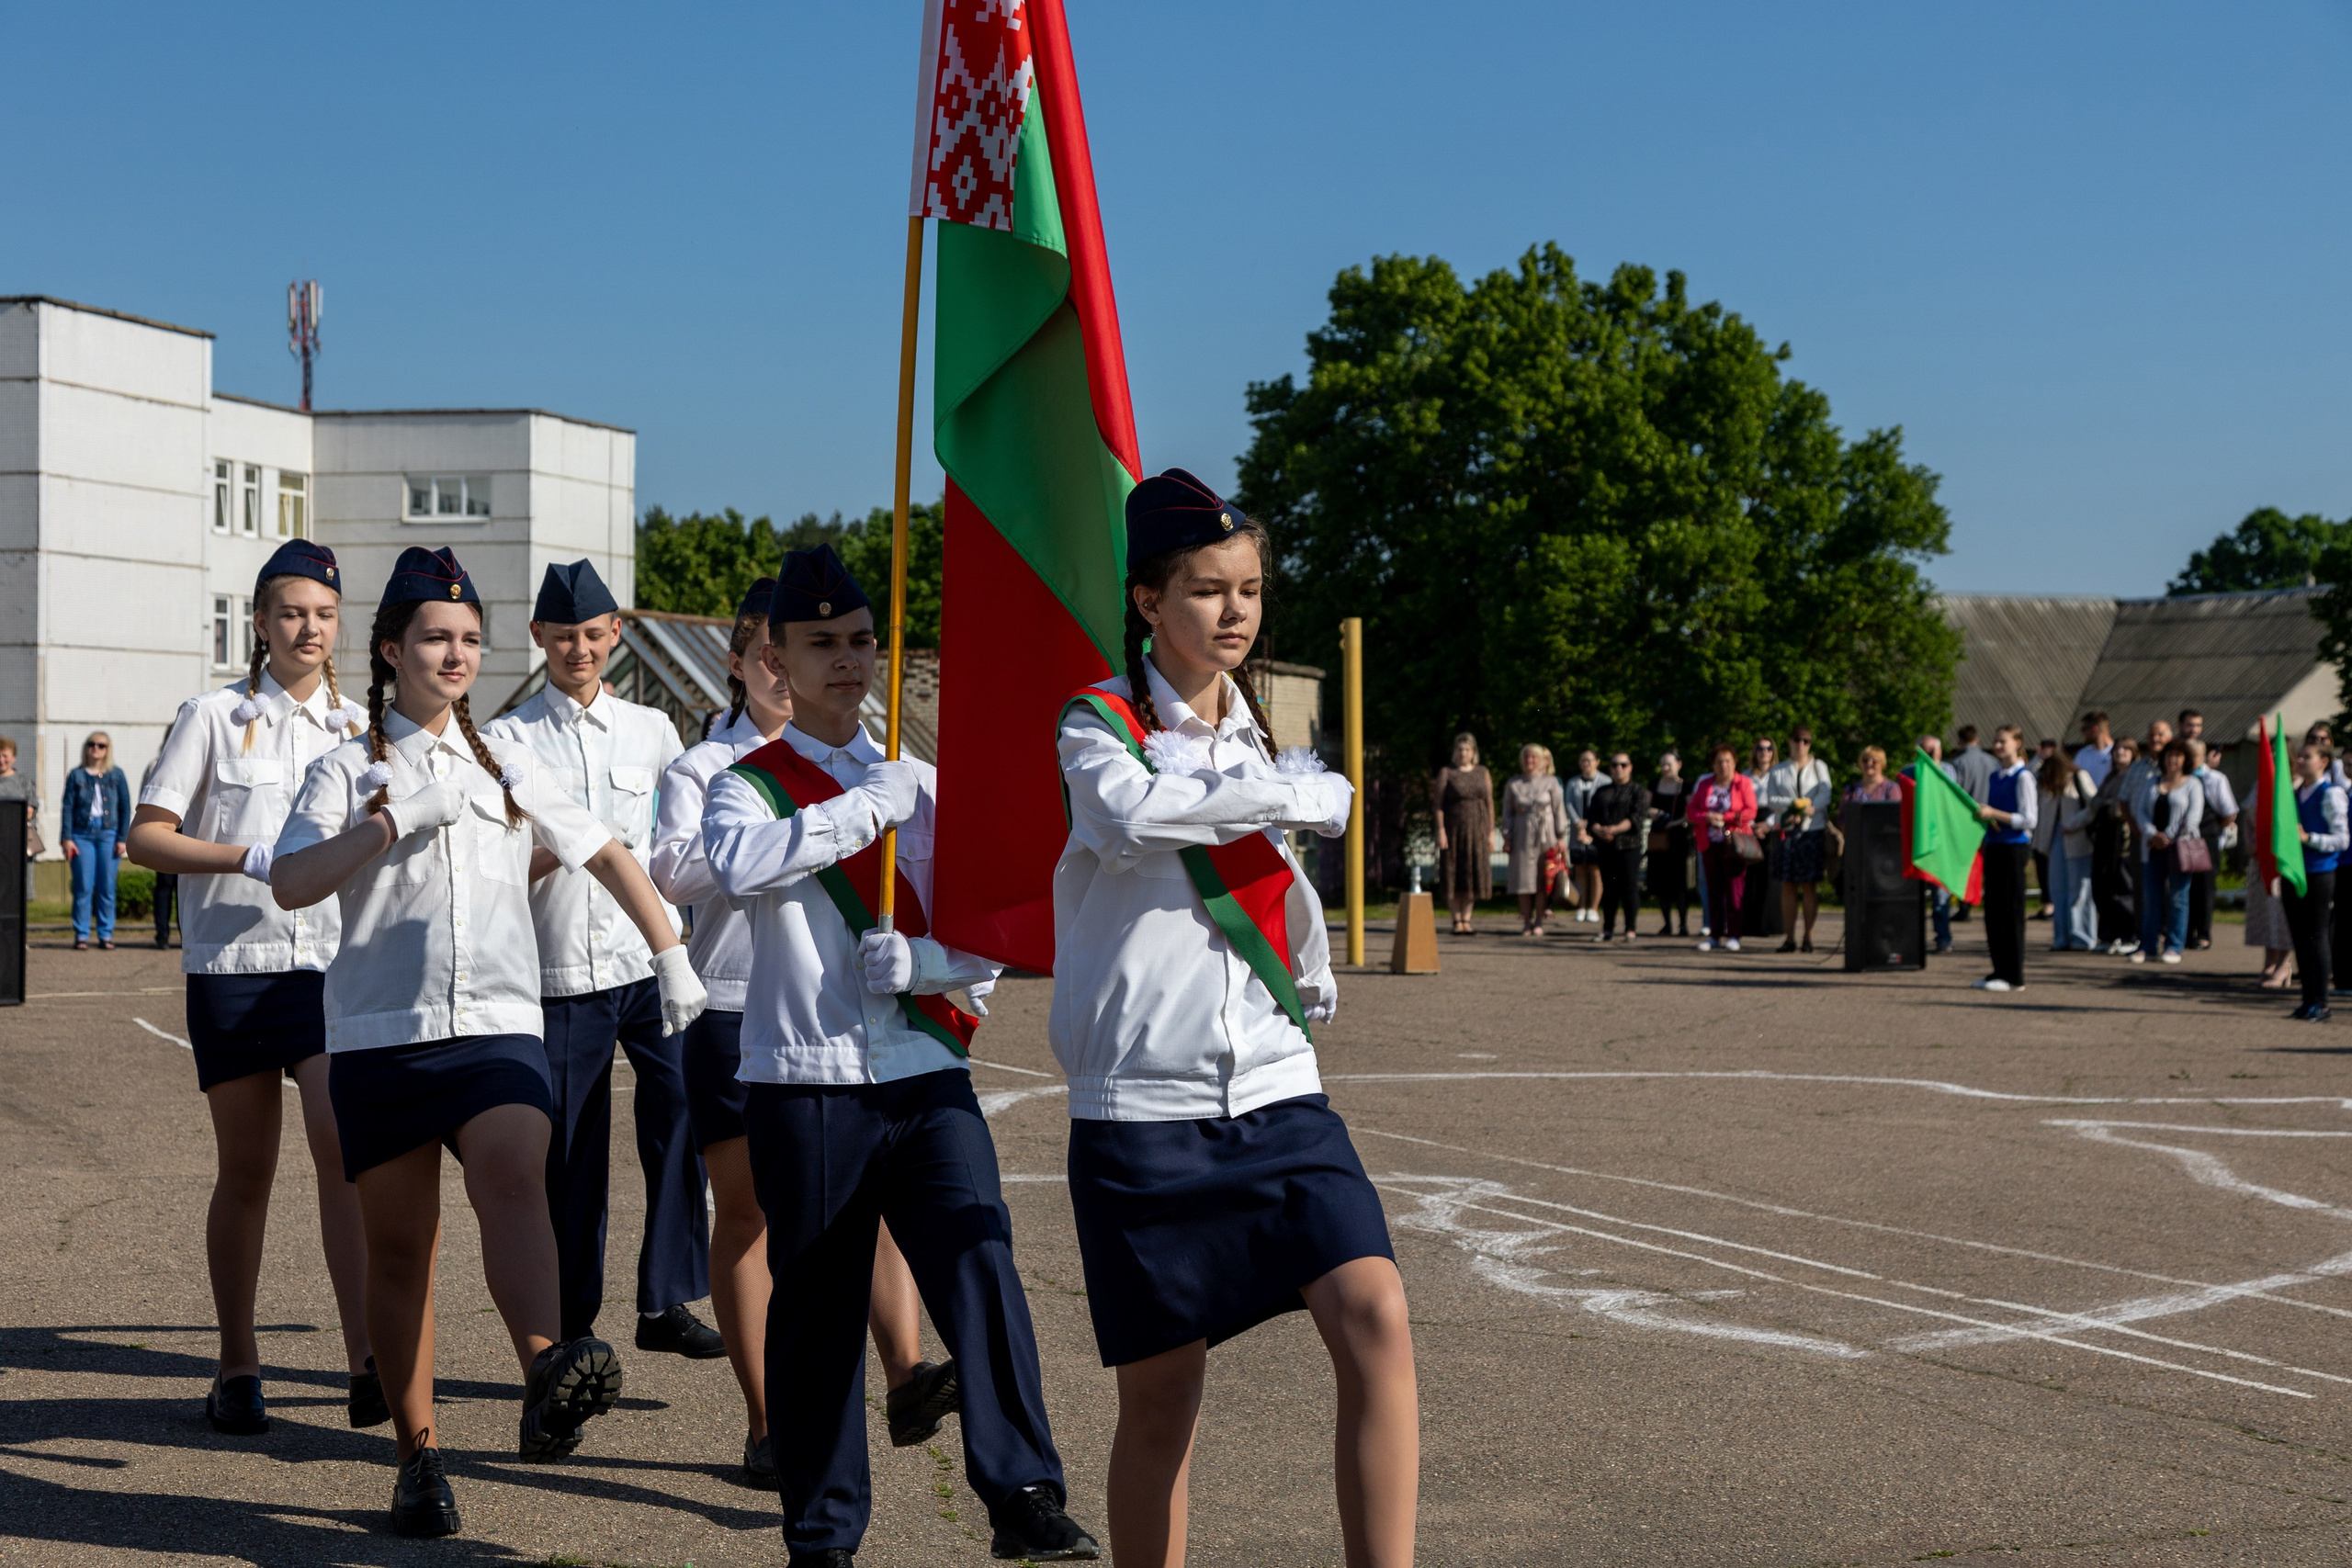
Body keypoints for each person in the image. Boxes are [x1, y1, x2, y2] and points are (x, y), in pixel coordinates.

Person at [270, 547, 708, 1537]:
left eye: (470, 638)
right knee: (400, 1252)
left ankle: (549, 1363)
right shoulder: (346, 767)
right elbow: (292, 882)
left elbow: (601, 846)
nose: (456, 652)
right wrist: (389, 824)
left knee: (516, 1172)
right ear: (390, 650)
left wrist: (668, 949)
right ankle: (417, 1454)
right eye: (435, 637)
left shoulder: (512, 760)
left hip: (500, 1022)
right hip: (383, 1033)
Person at [703, 542, 1097, 1564]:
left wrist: (926, 962)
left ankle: (1021, 1491)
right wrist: (857, 811)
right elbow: (736, 867)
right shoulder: (747, 787)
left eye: (860, 640)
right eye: (819, 642)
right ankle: (823, 1532)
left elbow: (1001, 929)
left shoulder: (927, 781)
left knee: (980, 1263)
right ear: (776, 662)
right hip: (808, 1084)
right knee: (821, 1317)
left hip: (926, 1076)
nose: (845, 658)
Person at [1050, 470, 1407, 1568]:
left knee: (1376, 1320)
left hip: (1273, 1094)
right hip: (1142, 1114)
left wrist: (1309, 970)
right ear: (1150, 600)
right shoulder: (1096, 723)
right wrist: (1297, 793)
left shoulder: (1261, 741)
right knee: (1163, 1401)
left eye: (1249, 588)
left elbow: (1270, 891)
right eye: (1207, 590)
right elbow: (1135, 815)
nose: (1237, 611)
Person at [646, 578, 958, 1483]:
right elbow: (679, 876)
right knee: (746, 1218)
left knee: (877, 1202)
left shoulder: (869, 762)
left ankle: (905, 1371)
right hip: (739, 1006)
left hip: (844, 1015)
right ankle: (765, 1418)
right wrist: (787, 826)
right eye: (774, 655)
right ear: (745, 665)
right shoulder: (707, 771)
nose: (794, 674)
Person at [124, 539, 379, 1438]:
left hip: (330, 971)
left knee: (341, 1146)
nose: (307, 628)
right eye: (290, 613)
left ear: (339, 623)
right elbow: (145, 837)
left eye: (322, 613)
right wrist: (249, 856)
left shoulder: (363, 729)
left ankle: (364, 1362)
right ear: (261, 623)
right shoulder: (212, 714)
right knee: (246, 1172)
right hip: (234, 970)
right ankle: (238, 1364)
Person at [483, 562, 719, 1363]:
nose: (578, 649)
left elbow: (676, 845)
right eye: (563, 636)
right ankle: (574, 1330)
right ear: (538, 639)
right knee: (572, 1155)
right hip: (558, 975)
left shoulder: (652, 731)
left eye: (592, 634)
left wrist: (679, 945)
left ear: (614, 634)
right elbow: (499, 863)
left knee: (686, 1113)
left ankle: (667, 1295)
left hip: (647, 964)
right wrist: (562, 842)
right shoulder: (508, 737)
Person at [1969, 726, 2038, 992]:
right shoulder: (1995, 776)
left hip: (2013, 848)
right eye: (1995, 741)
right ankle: (1999, 970)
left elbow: (2029, 819)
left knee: (2011, 913)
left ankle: (2014, 976)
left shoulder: (2023, 777)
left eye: (2003, 742)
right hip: (1996, 847)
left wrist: (1994, 813)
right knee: (1994, 913)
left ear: (2017, 743)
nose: (1997, 746)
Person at [2285, 738, 2344, 1021]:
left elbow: (2342, 839)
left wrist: (2310, 838)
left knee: (2316, 935)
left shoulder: (2331, 793)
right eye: (2299, 757)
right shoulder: (2296, 793)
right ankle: (2307, 999)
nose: (2300, 761)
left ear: (2323, 762)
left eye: (2307, 757)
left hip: (2320, 872)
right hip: (2296, 872)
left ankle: (2321, 1002)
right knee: (2299, 936)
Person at [2131, 739, 2203, 965]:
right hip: (2152, 850)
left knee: (2178, 899)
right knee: (2151, 899)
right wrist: (2153, 834)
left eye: (2178, 755)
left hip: (2180, 849)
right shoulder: (2152, 782)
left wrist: (2167, 836)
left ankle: (2173, 945)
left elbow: (2192, 818)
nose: (2173, 759)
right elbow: (2140, 811)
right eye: (2169, 755)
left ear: (2186, 760)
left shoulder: (2193, 784)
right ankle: (2148, 945)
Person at [1763, 726, 1832, 953]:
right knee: (1788, 884)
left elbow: (1825, 792)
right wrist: (1791, 806)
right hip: (1788, 830)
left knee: (1809, 884)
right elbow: (1771, 797)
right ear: (1790, 741)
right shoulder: (1779, 770)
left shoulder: (1818, 766)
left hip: (1812, 830)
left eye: (1806, 741)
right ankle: (1790, 937)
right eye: (1797, 740)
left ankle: (1808, 937)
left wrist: (1810, 807)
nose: (1801, 745)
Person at [62, 730, 130, 949]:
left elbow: (125, 807)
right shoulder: (76, 775)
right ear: (86, 747)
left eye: (101, 745)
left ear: (107, 750)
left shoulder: (116, 775)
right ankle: (82, 934)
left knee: (107, 886)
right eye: (92, 744)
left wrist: (123, 838)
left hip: (108, 834)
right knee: (83, 886)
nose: (96, 748)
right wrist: (66, 838)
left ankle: (105, 933)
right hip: (82, 834)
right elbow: (67, 808)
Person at [1688, 742, 1757, 953]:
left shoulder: (1743, 783)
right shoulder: (1705, 784)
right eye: (1719, 761)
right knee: (1713, 891)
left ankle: (1734, 935)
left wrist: (1724, 817)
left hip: (1734, 845)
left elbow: (1750, 811)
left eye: (1727, 761)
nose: (1723, 765)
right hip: (1710, 844)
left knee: (1735, 890)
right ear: (1713, 764)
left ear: (1735, 762)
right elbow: (1691, 811)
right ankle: (1715, 935)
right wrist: (1707, 817)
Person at [1500, 744, 1568, 937]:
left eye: (1533, 757)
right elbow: (1507, 813)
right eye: (1526, 757)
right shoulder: (1514, 784)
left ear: (1541, 760)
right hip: (1522, 834)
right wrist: (1507, 836)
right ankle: (1526, 922)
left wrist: (1561, 836)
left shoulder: (1551, 782)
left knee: (1541, 880)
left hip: (1546, 834)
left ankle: (1539, 920)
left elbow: (1558, 810)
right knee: (1524, 881)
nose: (1529, 761)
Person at [1431, 735, 1494, 936]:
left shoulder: (1482, 772)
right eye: (1459, 749)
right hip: (1453, 830)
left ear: (1473, 752)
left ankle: (1467, 918)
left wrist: (1490, 831)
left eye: (1466, 749)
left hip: (1477, 830)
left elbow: (1489, 802)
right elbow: (1438, 805)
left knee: (1472, 873)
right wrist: (1441, 830)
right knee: (1453, 872)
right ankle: (1456, 918)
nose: (1463, 753)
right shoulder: (1447, 773)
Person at [1584, 752, 1649, 943]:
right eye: (1614, 765)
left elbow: (1638, 817)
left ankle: (1630, 929)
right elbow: (1591, 817)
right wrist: (1599, 829)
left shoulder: (1638, 791)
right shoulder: (1602, 791)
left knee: (1629, 887)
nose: (1618, 768)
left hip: (1629, 846)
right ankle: (1608, 928)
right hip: (1606, 847)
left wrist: (1615, 829)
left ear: (1630, 767)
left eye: (1623, 764)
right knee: (1609, 889)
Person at [1903, 736, 1959, 953]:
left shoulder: (1948, 770)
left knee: (1940, 897)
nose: (1928, 755)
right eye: (1923, 751)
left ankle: (1943, 938)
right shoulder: (1908, 771)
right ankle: (1910, 939)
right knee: (1910, 895)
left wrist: (1934, 765)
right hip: (1917, 841)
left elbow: (1947, 795)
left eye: (1932, 751)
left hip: (1940, 842)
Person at [2041, 750, 2099, 952]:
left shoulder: (2078, 776)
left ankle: (2083, 938)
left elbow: (2094, 805)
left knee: (2080, 889)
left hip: (2078, 838)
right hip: (2055, 839)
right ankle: (2062, 937)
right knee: (2058, 890)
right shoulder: (2050, 784)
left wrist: (2073, 824)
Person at [2184, 738, 2236, 951]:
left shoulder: (2215, 778)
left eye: (2192, 755)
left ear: (2202, 756)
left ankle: (2203, 933)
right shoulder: (2181, 777)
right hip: (2184, 839)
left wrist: (2214, 830)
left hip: (2207, 837)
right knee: (2185, 887)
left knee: (2205, 888)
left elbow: (2229, 812)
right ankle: (2186, 933)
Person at [1647, 749, 1693, 938]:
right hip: (1659, 839)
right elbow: (1645, 806)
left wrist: (1673, 823)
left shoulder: (1687, 786)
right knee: (1661, 885)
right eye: (1663, 764)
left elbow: (1690, 813)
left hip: (1679, 839)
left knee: (1680, 885)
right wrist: (1651, 812)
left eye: (1669, 764)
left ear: (1679, 765)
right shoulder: (1654, 784)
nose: (1665, 768)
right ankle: (1667, 924)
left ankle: (1683, 924)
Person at [1739, 738, 1781, 938]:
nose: (1764, 752)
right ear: (1754, 752)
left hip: (1771, 823)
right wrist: (1750, 824)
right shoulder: (1745, 776)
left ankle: (1767, 923)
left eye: (1768, 748)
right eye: (1760, 748)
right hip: (1749, 824)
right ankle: (1748, 924)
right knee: (1749, 876)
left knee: (1769, 877)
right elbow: (1739, 802)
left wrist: (1769, 824)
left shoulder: (1780, 774)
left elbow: (1785, 803)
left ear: (1773, 752)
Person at [1560, 749, 1604, 922]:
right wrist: (1578, 823)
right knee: (1580, 870)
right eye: (1582, 760)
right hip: (1577, 833)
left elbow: (1603, 804)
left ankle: (1593, 908)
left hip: (1596, 831)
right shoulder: (1572, 782)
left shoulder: (1605, 781)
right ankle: (1581, 906)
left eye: (1589, 760)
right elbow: (1569, 804)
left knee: (1595, 871)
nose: (1585, 763)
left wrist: (1590, 825)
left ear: (1597, 762)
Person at [1, 735, 41, 873]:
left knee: (19, 884)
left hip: (19, 843)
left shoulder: (24, 783)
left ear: (14, 757)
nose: (1, 760)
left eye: (5, 756)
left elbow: (30, 810)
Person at [2073, 710, 2115, 789]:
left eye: (2084, 729)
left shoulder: (2117, 753)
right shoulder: (2082, 754)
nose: (2082, 733)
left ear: (2095, 729)